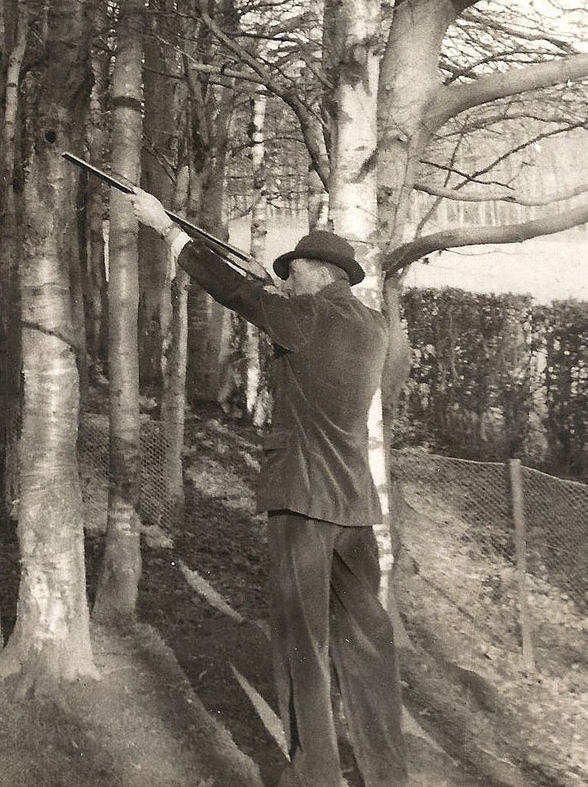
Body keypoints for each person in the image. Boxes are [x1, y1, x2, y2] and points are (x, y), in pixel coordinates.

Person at [130, 188, 408, 787]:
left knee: (302, 641)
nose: (287, 275)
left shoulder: (303, 317)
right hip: (355, 505)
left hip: (303, 500)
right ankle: (388, 773)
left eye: (293, 269)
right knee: (368, 639)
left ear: (314, 273)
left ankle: (314, 773)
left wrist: (167, 232)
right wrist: (275, 288)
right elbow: (293, 319)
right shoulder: (373, 327)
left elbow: (237, 295)